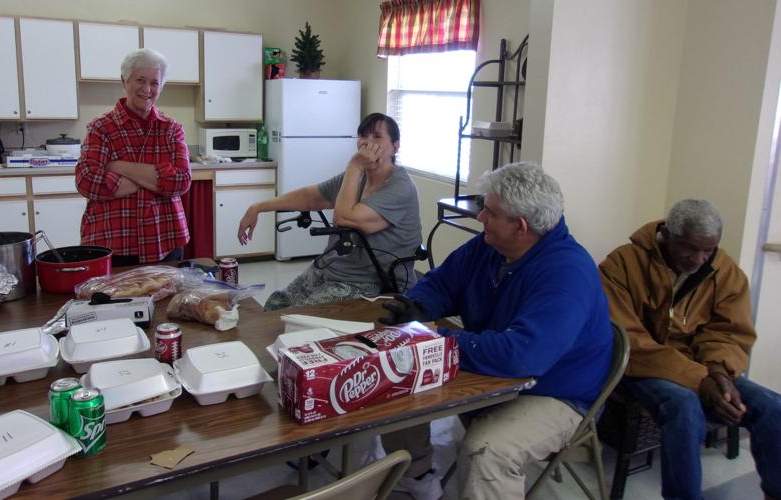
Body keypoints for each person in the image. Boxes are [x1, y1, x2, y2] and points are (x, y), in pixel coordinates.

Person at [378, 162, 612, 500]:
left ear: (520, 226)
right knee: (402, 374)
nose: (480, 217)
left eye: (489, 211)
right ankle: (416, 476)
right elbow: (444, 282)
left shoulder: (567, 273)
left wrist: (437, 340)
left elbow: (523, 355)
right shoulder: (491, 246)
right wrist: (418, 308)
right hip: (502, 370)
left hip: (556, 392)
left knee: (487, 450)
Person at [599, 199, 781, 500]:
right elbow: (628, 339)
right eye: (689, 247)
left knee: (772, 407)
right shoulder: (622, 264)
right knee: (683, 407)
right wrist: (700, 379)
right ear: (667, 234)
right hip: (642, 365)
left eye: (708, 250)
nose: (699, 259)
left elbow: (729, 332)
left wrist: (719, 372)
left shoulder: (725, 271)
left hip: (703, 365)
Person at [237, 113, 421, 310]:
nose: (368, 144)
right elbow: (312, 197)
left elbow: (343, 218)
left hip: (371, 282)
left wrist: (355, 165)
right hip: (331, 268)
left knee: (297, 318)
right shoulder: (355, 177)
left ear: (395, 146)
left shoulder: (399, 187)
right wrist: (258, 207)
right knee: (276, 304)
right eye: (363, 136)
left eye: (377, 137)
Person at [75, 48, 191, 267]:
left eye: (155, 83)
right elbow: (87, 181)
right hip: (113, 241)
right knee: (115, 301)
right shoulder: (101, 128)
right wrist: (155, 181)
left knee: (166, 300)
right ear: (124, 81)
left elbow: (181, 181)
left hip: (164, 238)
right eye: (140, 80)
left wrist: (118, 167)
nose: (147, 89)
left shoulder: (171, 128)